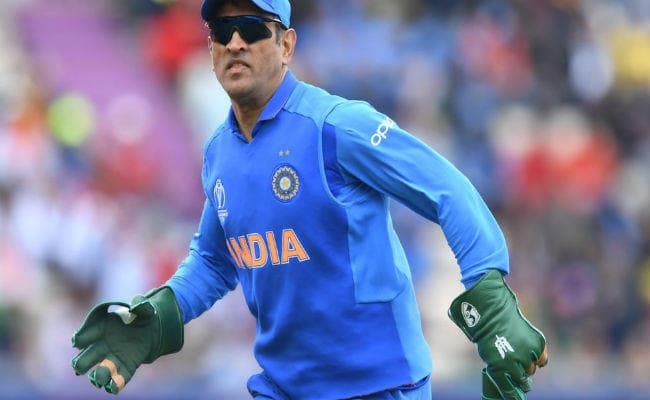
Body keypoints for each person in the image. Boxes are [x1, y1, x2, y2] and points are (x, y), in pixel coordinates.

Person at [70, 0, 548, 399]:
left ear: (286, 45)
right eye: (221, 30)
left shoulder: (336, 125)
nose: (234, 42)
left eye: (251, 27)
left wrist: (490, 297)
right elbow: (214, 260)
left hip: (378, 387)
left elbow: (447, 188)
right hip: (283, 388)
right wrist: (162, 313)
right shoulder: (218, 152)